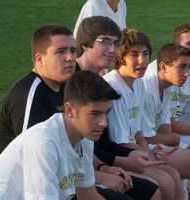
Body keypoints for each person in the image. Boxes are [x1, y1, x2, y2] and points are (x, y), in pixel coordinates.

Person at [0, 70, 121, 199]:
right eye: (95, 114)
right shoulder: (43, 143)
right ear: (69, 110)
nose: (104, 122)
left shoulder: (84, 136)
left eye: (106, 112)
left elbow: (87, 194)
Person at [75, 16, 162, 200]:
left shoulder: (136, 84)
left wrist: (147, 152)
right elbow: (112, 142)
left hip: (99, 163)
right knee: (159, 185)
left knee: (168, 178)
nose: (112, 49)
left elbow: (100, 143)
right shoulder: (103, 86)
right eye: (105, 42)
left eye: (115, 43)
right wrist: (106, 169)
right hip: (78, 175)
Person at [103, 28, 183, 200]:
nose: (142, 61)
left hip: (135, 151)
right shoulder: (113, 88)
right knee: (165, 181)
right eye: (134, 55)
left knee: (173, 174)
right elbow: (121, 142)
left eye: (146, 54)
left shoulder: (138, 84)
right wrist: (148, 153)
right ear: (120, 56)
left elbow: (138, 133)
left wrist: (150, 151)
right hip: (119, 156)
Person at [0, 25, 76, 155]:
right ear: (39, 59)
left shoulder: (66, 85)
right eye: (61, 51)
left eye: (73, 50)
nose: (70, 58)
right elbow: (30, 154)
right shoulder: (29, 95)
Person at [142, 43, 190, 180]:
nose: (186, 73)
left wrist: (172, 140)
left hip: (160, 144)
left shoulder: (169, 86)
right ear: (163, 67)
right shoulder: (147, 90)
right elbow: (146, 137)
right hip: (141, 149)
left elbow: (165, 125)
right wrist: (173, 139)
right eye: (181, 67)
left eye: (188, 67)